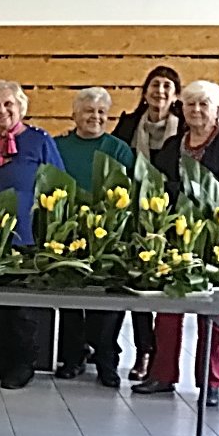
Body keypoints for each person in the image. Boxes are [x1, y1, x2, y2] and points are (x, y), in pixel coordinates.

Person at [132, 81, 219, 406]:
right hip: (175, 233)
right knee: (168, 308)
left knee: (213, 310)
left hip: (214, 235)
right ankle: (162, 374)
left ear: (216, 110)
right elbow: (160, 187)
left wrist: (185, 194)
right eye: (191, 104)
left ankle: (211, 381)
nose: (196, 110)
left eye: (203, 104)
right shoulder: (172, 145)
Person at [0, 81, 65, 389]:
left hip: (26, 236)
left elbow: (57, 183)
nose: (2, 110)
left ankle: (23, 364)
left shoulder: (39, 140)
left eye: (8, 104)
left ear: (21, 107)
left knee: (23, 308)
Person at [53, 88, 135, 388]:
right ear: (74, 114)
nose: (95, 117)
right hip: (68, 232)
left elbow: (131, 191)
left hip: (108, 236)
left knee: (107, 300)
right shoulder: (59, 146)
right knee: (70, 296)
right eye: (88, 110)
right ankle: (73, 356)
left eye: (101, 112)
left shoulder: (119, 149)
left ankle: (106, 359)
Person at [113, 66, 183, 380]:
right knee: (137, 286)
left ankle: (164, 360)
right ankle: (143, 351)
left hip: (170, 219)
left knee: (165, 290)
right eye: (155, 85)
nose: (160, 91)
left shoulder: (184, 130)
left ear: (176, 95)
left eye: (168, 86)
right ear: (145, 91)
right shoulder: (129, 124)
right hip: (132, 216)